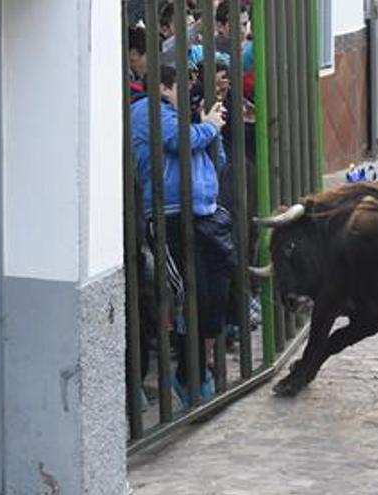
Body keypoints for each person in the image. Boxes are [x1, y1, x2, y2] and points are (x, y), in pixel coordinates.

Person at [131, 65, 234, 407]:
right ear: (162, 86)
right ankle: (187, 377)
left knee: (213, 296)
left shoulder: (185, 118)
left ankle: (194, 372)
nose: (187, 95)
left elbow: (215, 159)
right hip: (169, 215)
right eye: (182, 87)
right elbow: (178, 141)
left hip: (203, 211)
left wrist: (209, 129)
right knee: (185, 296)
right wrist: (208, 126)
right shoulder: (147, 111)